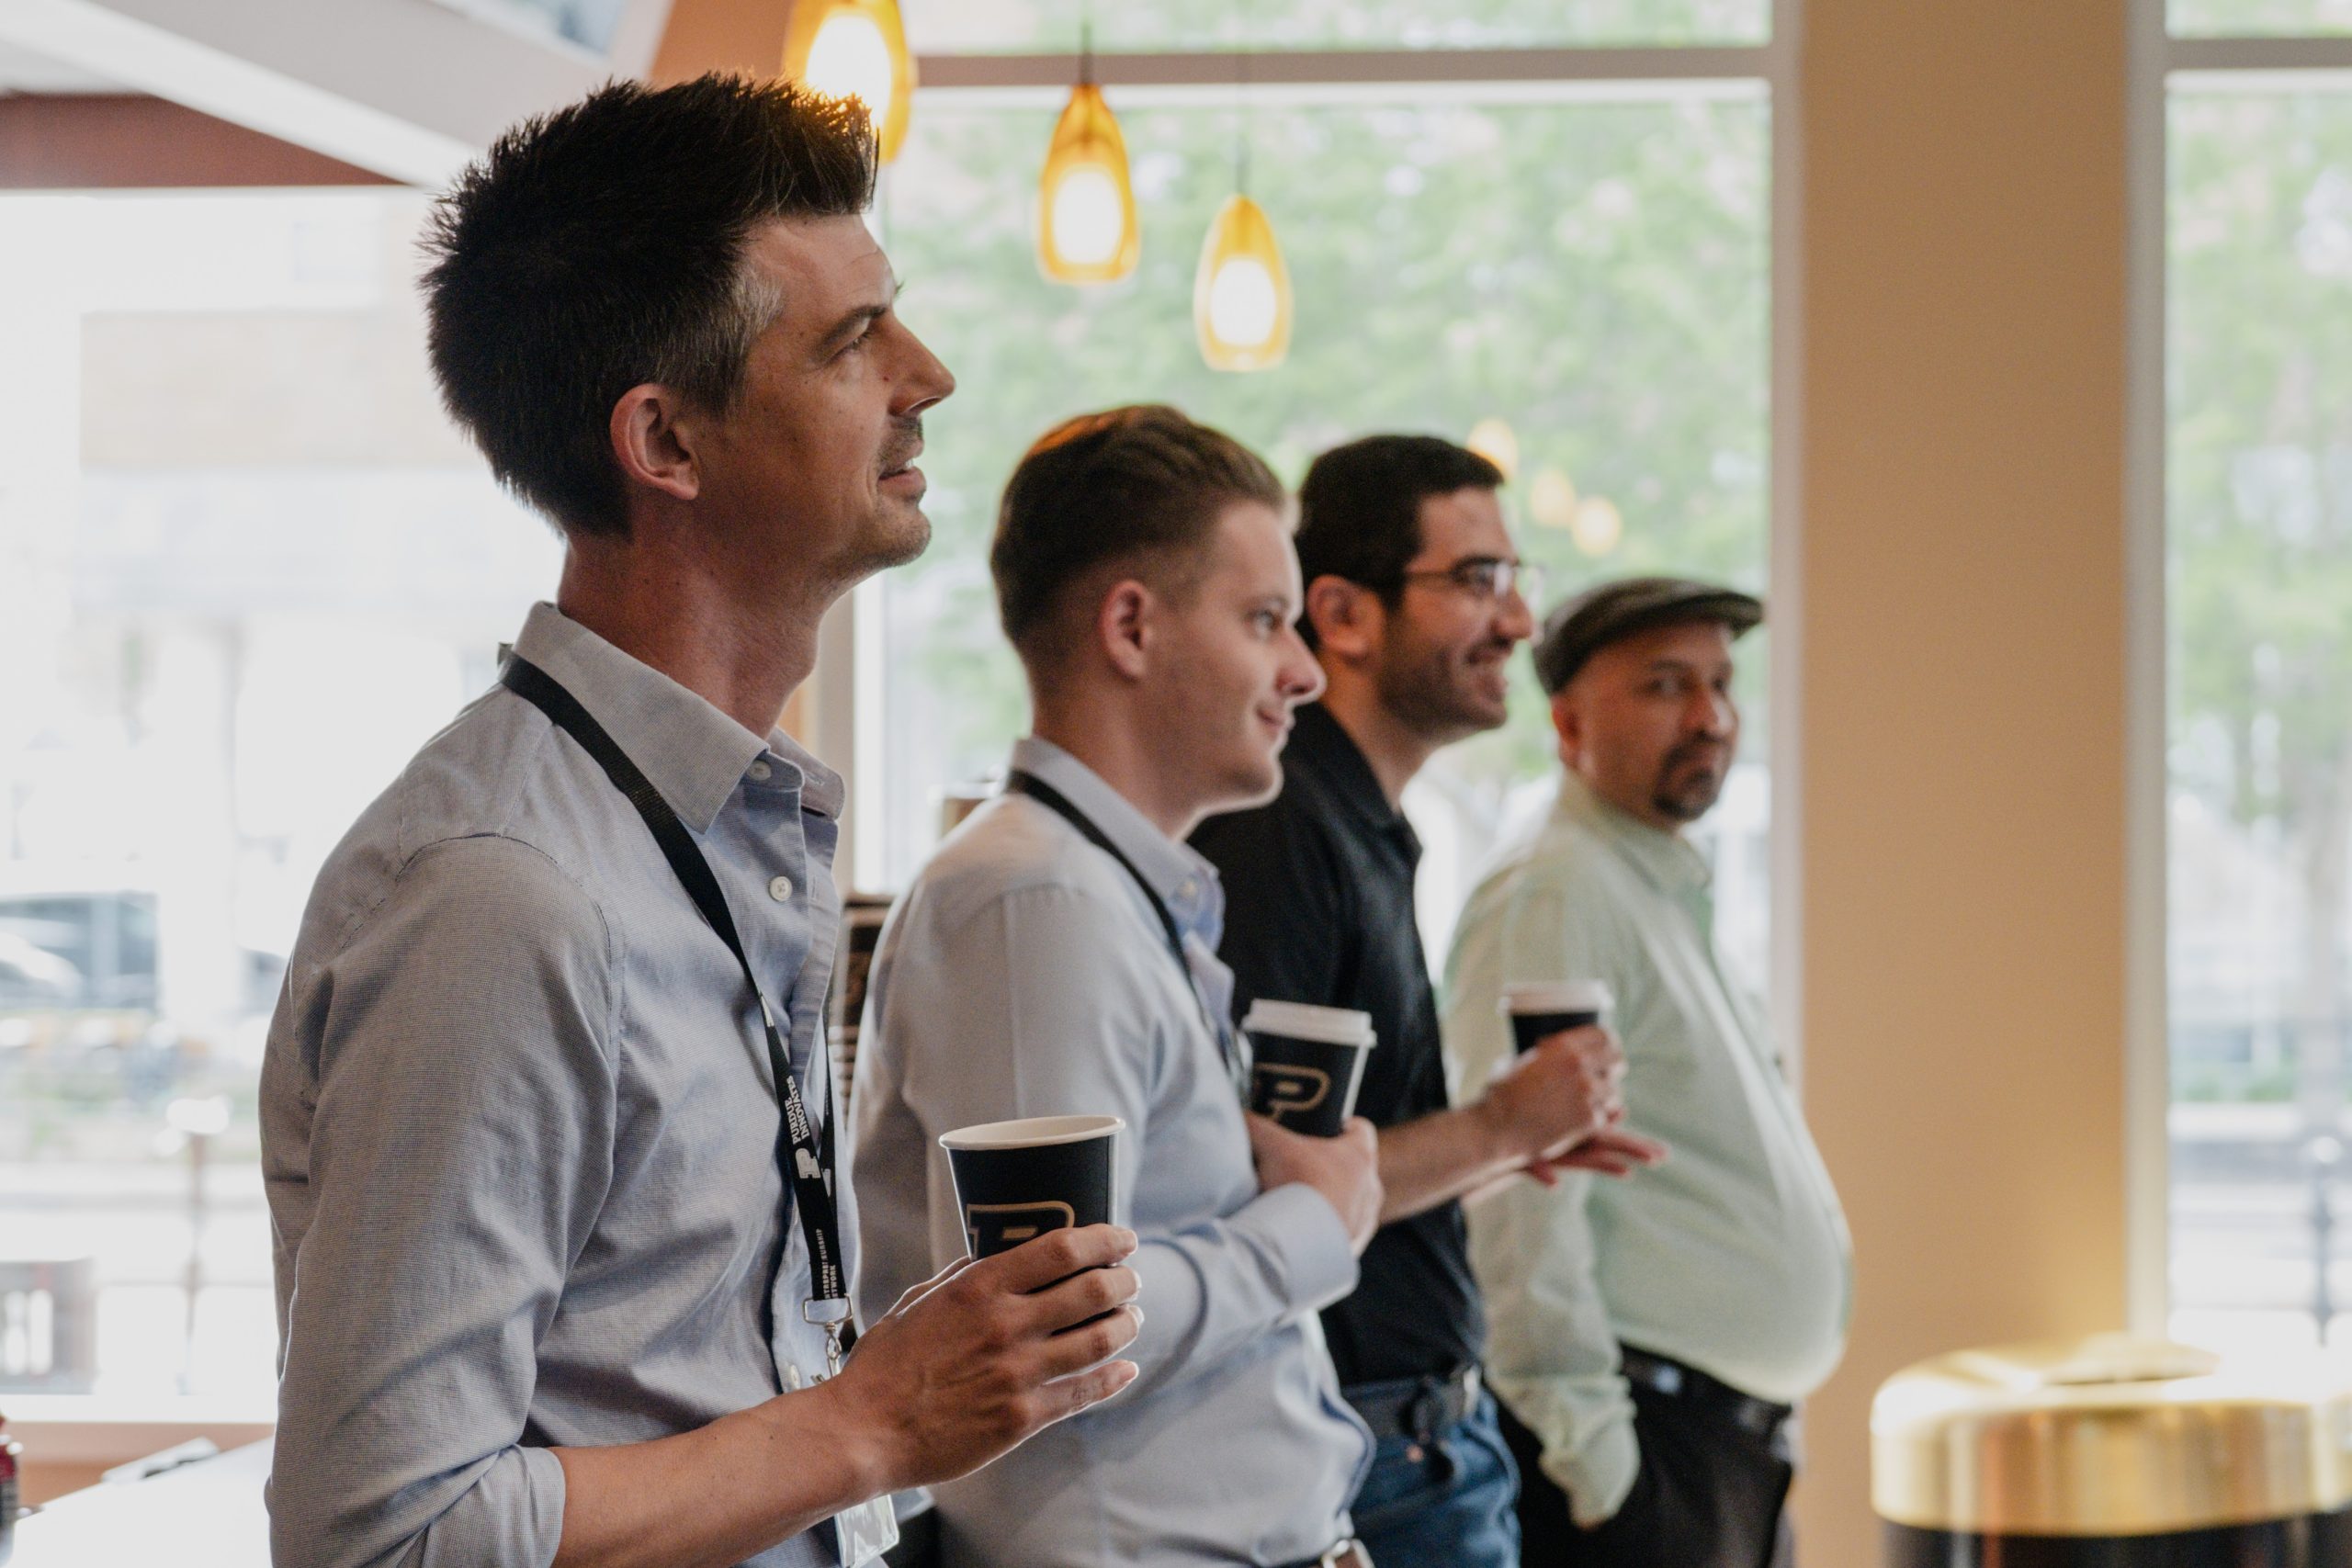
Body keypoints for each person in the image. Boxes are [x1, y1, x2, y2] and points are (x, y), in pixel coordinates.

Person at [258, 77, 1143, 1568]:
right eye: (855, 341)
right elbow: (384, 1534)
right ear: (665, 440)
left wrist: (887, 1402)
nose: (928, 375)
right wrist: (870, 1424)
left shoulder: (718, 827)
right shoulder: (502, 894)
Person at [852, 406, 1380, 1568]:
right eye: (1266, 620)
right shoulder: (1036, 901)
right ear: (1132, 627)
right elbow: (1046, 1329)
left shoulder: (1095, 889)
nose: (1304, 672)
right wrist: (1312, 1225)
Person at [1190, 436, 1661, 1568]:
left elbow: (1351, 1159)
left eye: (1515, 579)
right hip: (1373, 1453)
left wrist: (1510, 1141)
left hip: (1421, 1436)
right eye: (1478, 581)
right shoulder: (1283, 826)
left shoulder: (1363, 822)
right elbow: (1265, 1184)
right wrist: (1498, 1128)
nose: (1518, 622)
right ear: (1342, 615)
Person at [1443, 578, 1851, 1568]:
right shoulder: (1555, 891)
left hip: (1718, 1447)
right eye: (1666, 685)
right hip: (1640, 1462)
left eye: (1721, 683)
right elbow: (1519, 1207)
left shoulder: (1651, 879)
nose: (1710, 717)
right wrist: (1605, 1473)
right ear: (1568, 723)